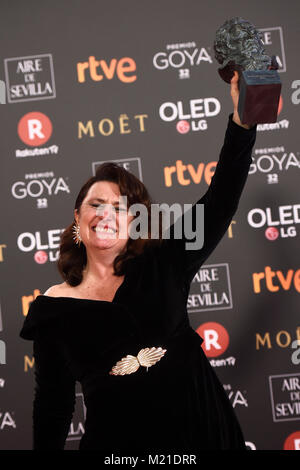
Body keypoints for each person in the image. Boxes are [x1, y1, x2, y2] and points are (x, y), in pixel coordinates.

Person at [20, 72, 257, 451]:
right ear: (77, 216)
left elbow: (220, 200)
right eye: (96, 204)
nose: (106, 214)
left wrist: (244, 121)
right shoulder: (52, 309)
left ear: (133, 223)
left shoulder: (165, 263)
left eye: (119, 207)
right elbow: (52, 407)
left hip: (204, 437)